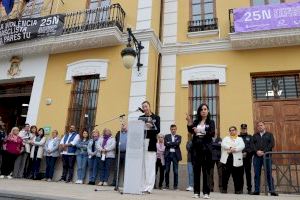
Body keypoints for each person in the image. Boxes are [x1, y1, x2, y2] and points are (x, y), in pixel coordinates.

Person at [186, 103, 215, 199]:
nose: (203, 111)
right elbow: (190, 130)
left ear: (208, 111)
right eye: (202, 109)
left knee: (206, 171)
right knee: (196, 171)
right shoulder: (196, 121)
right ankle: (196, 192)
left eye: (205, 109)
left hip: (206, 149)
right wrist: (189, 122)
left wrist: (199, 131)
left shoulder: (211, 122)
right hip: (196, 149)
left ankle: (206, 192)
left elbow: (212, 133)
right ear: (199, 111)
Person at [252, 121, 278, 196]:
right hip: (257, 157)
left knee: (269, 173)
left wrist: (264, 152)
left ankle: (272, 190)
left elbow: (271, 144)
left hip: (266, 156)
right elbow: (252, 145)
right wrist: (257, 151)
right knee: (257, 174)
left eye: (261, 125)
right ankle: (257, 190)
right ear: (257, 127)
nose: (260, 127)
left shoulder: (269, 135)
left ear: (264, 126)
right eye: (258, 126)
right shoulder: (255, 135)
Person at [139, 100, 160, 193]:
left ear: (149, 107)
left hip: (151, 143)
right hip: (142, 143)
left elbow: (158, 130)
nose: (144, 108)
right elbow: (138, 130)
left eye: (146, 106)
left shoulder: (156, 117)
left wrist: (151, 126)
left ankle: (149, 187)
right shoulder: (141, 117)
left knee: (150, 166)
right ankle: (142, 186)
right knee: (142, 165)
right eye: (143, 107)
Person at [220, 126, 245, 194]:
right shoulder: (226, 138)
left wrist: (233, 150)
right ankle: (224, 189)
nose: (232, 131)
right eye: (230, 130)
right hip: (227, 160)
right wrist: (230, 147)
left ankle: (237, 190)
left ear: (236, 131)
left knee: (236, 176)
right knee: (225, 176)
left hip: (236, 160)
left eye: (233, 130)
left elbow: (242, 146)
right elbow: (223, 145)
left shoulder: (240, 139)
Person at [164, 124, 182, 190]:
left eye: (174, 129)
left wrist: (170, 143)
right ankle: (167, 185)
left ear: (176, 129)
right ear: (170, 130)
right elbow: (165, 144)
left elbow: (177, 144)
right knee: (167, 171)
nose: (173, 130)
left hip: (175, 155)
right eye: (172, 129)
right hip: (168, 154)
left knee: (176, 171)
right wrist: (173, 143)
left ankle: (175, 186)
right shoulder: (166, 136)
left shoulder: (179, 136)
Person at [239, 123, 253, 194]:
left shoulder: (250, 137)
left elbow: (251, 146)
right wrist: (241, 153)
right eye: (242, 129)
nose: (243, 130)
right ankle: (240, 189)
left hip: (247, 158)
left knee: (248, 174)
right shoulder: (238, 137)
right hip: (239, 158)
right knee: (240, 174)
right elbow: (236, 146)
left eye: (245, 129)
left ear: (246, 129)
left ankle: (249, 189)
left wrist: (246, 152)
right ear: (240, 129)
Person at [111, 123, 128, 187]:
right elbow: (115, 141)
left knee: (126, 169)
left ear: (127, 127)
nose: (123, 127)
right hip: (118, 153)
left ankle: (126, 183)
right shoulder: (118, 133)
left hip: (126, 153)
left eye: (125, 126)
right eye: (122, 126)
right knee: (116, 168)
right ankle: (115, 182)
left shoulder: (130, 134)